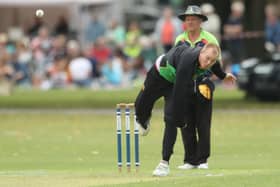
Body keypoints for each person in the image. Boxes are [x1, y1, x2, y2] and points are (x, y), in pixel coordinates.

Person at [135, 5, 236, 176]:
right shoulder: (188, 58)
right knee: (141, 105)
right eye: (206, 58)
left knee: (171, 120)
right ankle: (143, 120)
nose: (207, 62)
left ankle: (164, 163)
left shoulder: (208, 51)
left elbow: (215, 62)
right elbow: (181, 90)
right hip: (158, 76)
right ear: (201, 51)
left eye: (210, 61)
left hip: (176, 83)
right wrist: (181, 118)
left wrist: (223, 75)